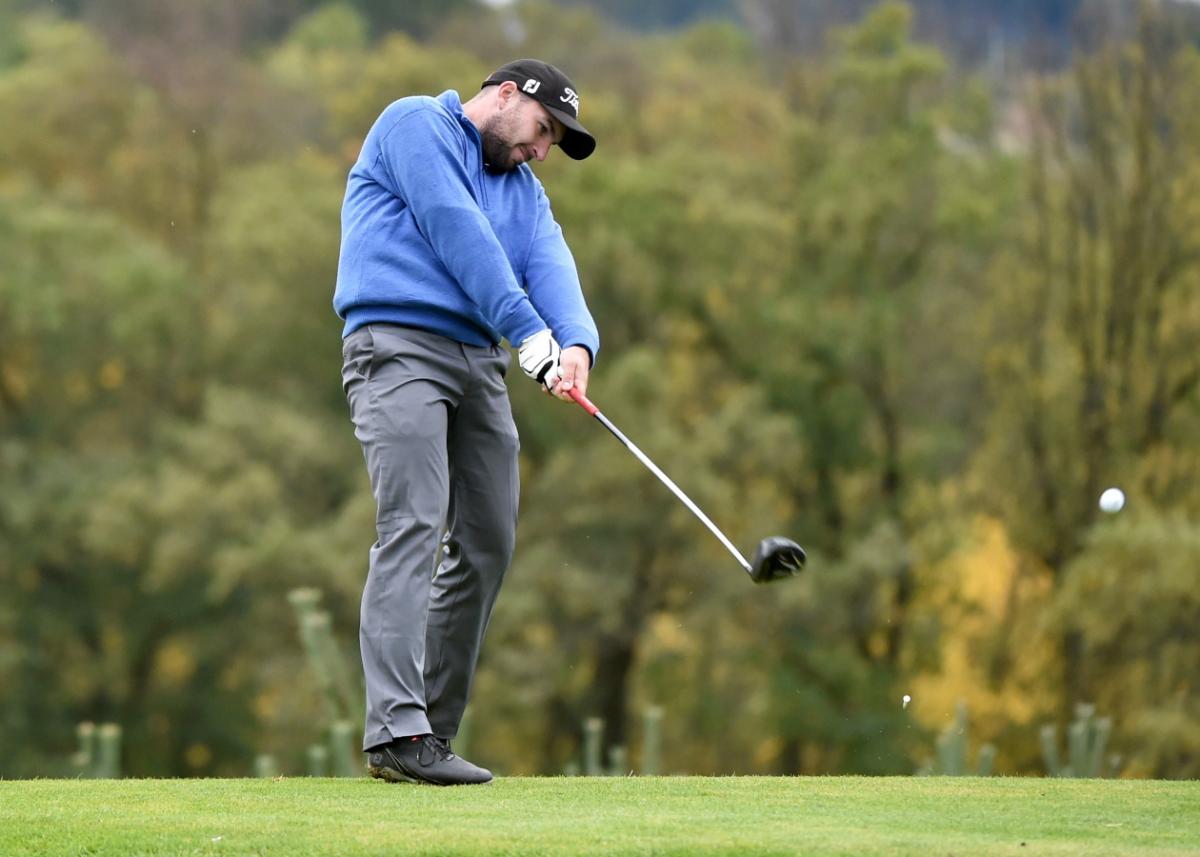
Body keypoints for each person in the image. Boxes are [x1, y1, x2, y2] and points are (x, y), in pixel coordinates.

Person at [334, 59, 600, 786]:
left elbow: (549, 262)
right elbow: (458, 230)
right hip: (397, 346)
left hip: (478, 363)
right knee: (414, 522)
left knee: (489, 537)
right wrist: (527, 328)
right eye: (541, 130)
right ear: (506, 95)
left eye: (551, 143)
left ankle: (431, 732)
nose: (540, 150)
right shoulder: (415, 124)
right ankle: (397, 731)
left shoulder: (525, 191)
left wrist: (575, 343)